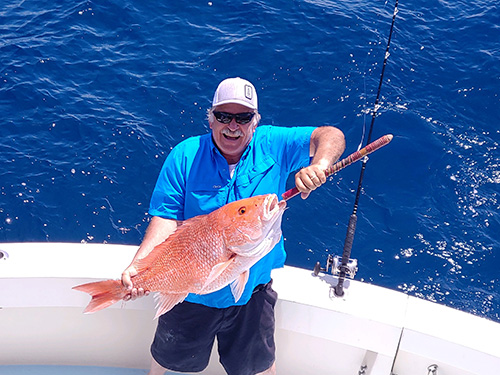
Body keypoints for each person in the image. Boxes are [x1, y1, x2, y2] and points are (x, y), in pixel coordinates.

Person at [121, 77, 345, 375]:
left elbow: (330, 135)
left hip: (253, 292)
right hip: (190, 291)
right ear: (210, 119)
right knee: (168, 363)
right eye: (223, 116)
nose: (232, 126)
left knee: (259, 367)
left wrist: (319, 164)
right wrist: (141, 267)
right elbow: (165, 218)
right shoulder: (185, 156)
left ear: (256, 122)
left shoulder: (274, 144)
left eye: (243, 117)